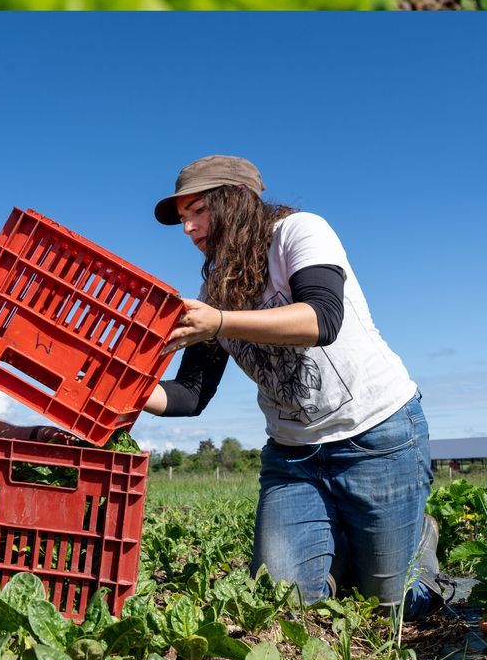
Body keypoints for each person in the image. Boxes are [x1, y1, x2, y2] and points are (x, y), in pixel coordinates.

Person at [143, 155, 430, 606]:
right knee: (280, 600)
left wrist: (219, 321)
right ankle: (334, 546)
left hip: (377, 437)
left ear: (235, 201)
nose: (188, 228)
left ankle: (417, 543)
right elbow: (190, 394)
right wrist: (121, 388)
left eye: (197, 211)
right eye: (183, 218)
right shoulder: (214, 293)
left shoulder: (299, 233)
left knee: (393, 606)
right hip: (294, 458)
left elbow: (321, 318)